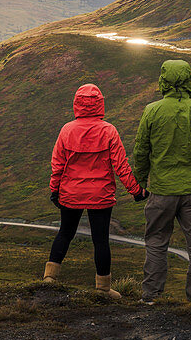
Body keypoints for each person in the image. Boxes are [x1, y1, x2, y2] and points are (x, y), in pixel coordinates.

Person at [44, 83, 148, 298]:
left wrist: (55, 190)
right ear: (100, 104)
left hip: (70, 192)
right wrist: (136, 191)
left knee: (65, 232)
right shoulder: (108, 130)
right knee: (100, 240)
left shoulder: (67, 130)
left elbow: (58, 165)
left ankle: (49, 279)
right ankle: (103, 289)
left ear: (77, 103)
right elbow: (121, 166)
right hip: (100, 194)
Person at [133, 59, 191, 304]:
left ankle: (151, 297)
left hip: (161, 191)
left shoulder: (152, 110)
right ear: (190, 80)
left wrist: (139, 182)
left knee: (156, 243)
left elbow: (141, 151)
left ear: (163, 81)